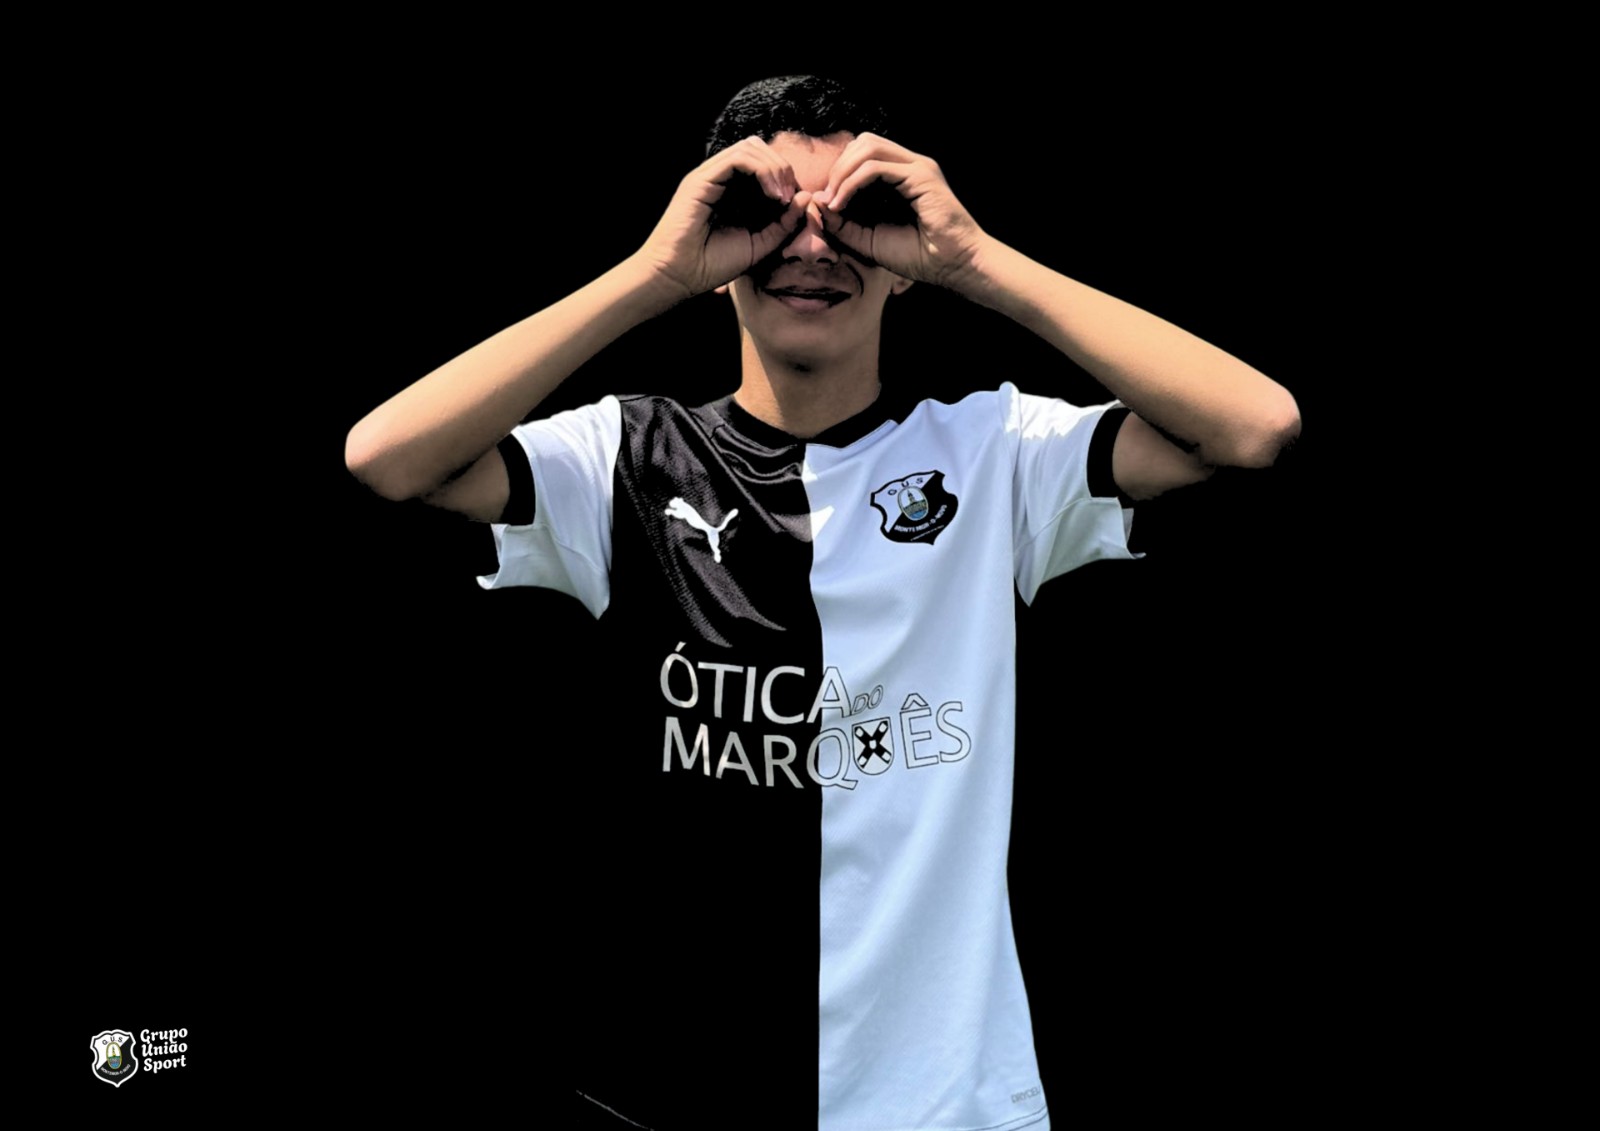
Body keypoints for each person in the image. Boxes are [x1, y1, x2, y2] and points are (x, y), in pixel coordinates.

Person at [347, 75, 1299, 1131]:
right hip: (676, 1099)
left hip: (941, 1106)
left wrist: (975, 260)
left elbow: (1251, 426)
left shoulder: (993, 453)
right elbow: (389, 457)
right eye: (763, 212)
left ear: (904, 258)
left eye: (855, 212)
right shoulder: (627, 455)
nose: (811, 245)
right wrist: (653, 273)